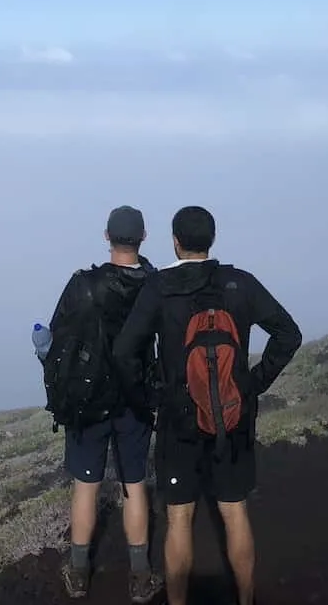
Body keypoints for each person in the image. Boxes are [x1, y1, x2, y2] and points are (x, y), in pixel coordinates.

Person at [112, 205, 303, 605]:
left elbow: (124, 351)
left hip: (178, 420)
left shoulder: (158, 288)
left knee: (179, 517)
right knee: (234, 512)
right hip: (233, 419)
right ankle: (246, 599)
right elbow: (288, 334)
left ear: (175, 242)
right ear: (211, 240)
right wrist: (252, 384)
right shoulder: (240, 283)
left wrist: (149, 399)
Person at [42, 205, 165, 603]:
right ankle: (141, 577)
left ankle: (79, 574)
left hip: (88, 401)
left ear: (106, 236)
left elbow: (58, 340)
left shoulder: (83, 285)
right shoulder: (156, 285)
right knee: (134, 485)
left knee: (86, 487)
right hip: (136, 400)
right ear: (143, 237)